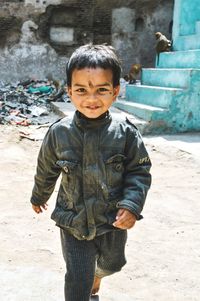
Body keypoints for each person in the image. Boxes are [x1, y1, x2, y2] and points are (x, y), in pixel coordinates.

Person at [30, 44, 151, 301]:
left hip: (111, 221)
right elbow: (46, 168)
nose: (91, 99)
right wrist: (39, 196)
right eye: (82, 90)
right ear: (70, 91)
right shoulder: (59, 133)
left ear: (115, 91)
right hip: (74, 221)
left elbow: (139, 170)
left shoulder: (126, 134)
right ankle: (86, 284)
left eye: (102, 90)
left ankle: (99, 275)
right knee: (78, 279)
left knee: (113, 264)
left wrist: (131, 205)